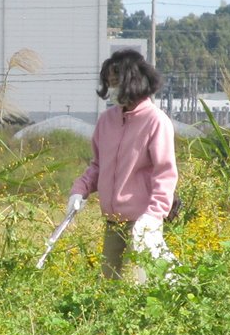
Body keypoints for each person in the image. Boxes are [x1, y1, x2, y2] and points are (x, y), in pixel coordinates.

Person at [65, 48, 178, 283]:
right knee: (108, 284)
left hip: (143, 223)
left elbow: (164, 174)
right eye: (110, 83)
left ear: (132, 81)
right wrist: (79, 190)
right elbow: (98, 166)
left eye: (116, 82)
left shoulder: (155, 121)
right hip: (112, 222)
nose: (113, 89)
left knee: (141, 286)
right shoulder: (106, 121)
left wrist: (154, 216)